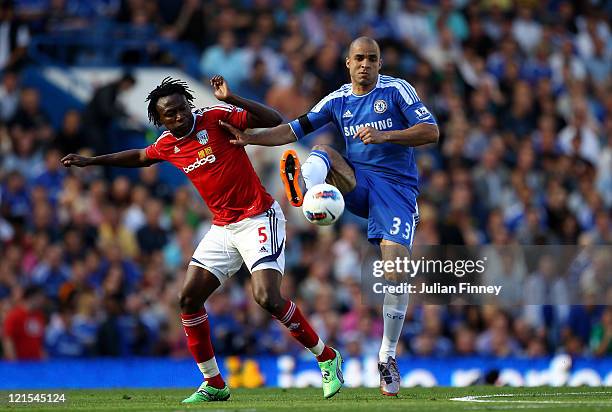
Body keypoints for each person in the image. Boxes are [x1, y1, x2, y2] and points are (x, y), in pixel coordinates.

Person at [61, 76, 344, 402]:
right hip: (223, 228)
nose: (179, 116)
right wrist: (92, 161)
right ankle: (214, 382)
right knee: (188, 299)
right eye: (170, 114)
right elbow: (140, 156)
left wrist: (233, 97)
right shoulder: (167, 143)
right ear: (161, 119)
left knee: (266, 297)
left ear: (189, 105)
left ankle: (326, 357)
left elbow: (273, 120)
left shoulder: (215, 118)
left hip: (258, 217)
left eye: (182, 109)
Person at [222, 36, 439, 396]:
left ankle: (387, 356)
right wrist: (251, 138)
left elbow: (431, 131)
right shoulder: (337, 99)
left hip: (397, 192)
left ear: (380, 64)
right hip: (358, 182)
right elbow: (293, 129)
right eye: (359, 58)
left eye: (372, 58)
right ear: (348, 63)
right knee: (321, 149)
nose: (365, 64)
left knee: (395, 270)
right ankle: (309, 194)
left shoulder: (398, 90)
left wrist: (387, 136)